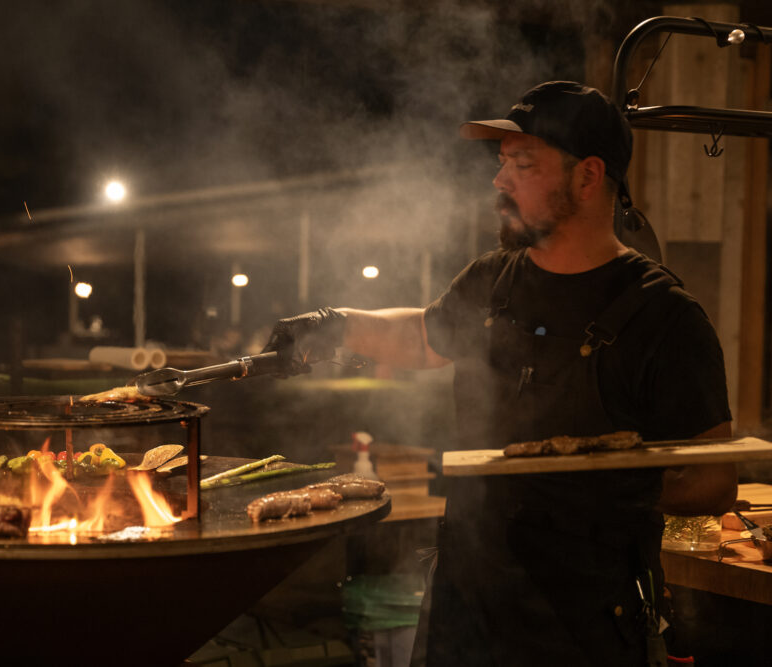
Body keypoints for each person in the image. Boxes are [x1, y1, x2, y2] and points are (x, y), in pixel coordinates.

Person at [261, 81, 736, 666]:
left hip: (586, 621)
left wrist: (608, 483)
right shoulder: (494, 280)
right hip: (469, 601)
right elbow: (424, 336)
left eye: (524, 164)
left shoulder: (666, 318)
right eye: (503, 162)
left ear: (588, 177)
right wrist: (334, 323)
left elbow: (714, 480)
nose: (499, 181)